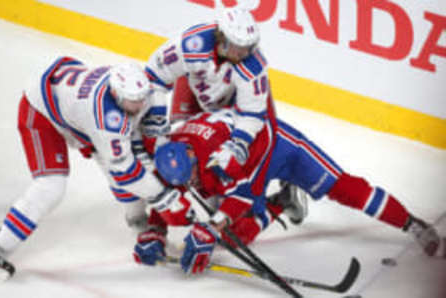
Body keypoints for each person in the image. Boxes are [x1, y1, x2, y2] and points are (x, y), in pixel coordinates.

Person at [133, 109, 445, 274]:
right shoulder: (168, 154)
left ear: (191, 157)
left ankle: (414, 224)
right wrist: (155, 231)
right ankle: (283, 201)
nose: (191, 186)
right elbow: (162, 194)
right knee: (233, 237)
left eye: (193, 178)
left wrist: (211, 228)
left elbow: (239, 195)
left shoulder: (220, 154)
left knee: (346, 189)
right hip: (242, 169)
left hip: (278, 146)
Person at [0, 56, 172, 281]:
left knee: (122, 168)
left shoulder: (142, 91)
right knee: (51, 187)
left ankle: (138, 222)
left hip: (73, 108)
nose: (140, 105)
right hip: (42, 112)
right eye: (133, 101)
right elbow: (126, 172)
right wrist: (164, 196)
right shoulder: (106, 119)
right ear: (115, 94)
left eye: (142, 98)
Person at [145, 8, 278, 186]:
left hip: (239, 104)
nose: (243, 53)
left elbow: (252, 114)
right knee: (179, 138)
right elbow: (155, 76)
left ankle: (284, 188)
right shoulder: (192, 44)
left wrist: (238, 143)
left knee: (264, 146)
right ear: (220, 37)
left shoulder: (254, 67)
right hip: (198, 92)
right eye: (237, 46)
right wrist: (157, 118)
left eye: (248, 47)